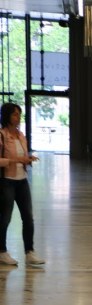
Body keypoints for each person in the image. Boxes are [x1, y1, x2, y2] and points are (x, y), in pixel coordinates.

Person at [0, 102, 43, 266]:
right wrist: (16, 160)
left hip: (22, 180)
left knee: (28, 218)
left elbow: (22, 156)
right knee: (5, 218)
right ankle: (2, 252)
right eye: (15, 114)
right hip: (7, 182)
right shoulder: (2, 135)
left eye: (19, 114)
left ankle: (29, 252)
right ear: (7, 116)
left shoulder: (21, 135)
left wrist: (27, 159)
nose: (18, 117)